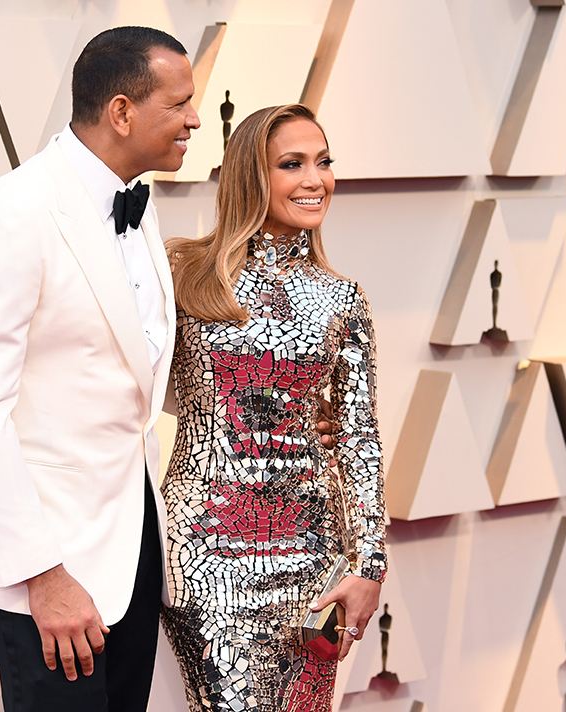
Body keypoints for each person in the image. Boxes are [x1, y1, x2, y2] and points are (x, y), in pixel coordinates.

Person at [0, 26, 200, 712]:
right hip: (45, 566)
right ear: (121, 112)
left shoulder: (136, 206)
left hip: (132, 550)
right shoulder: (14, 213)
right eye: (180, 104)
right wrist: (43, 575)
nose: (196, 119)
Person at [161, 104, 387, 711]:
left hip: (315, 558)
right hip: (205, 554)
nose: (316, 180)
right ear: (250, 176)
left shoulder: (342, 298)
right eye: (292, 164)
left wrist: (369, 564)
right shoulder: (183, 272)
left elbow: (356, 437)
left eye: (324, 162)